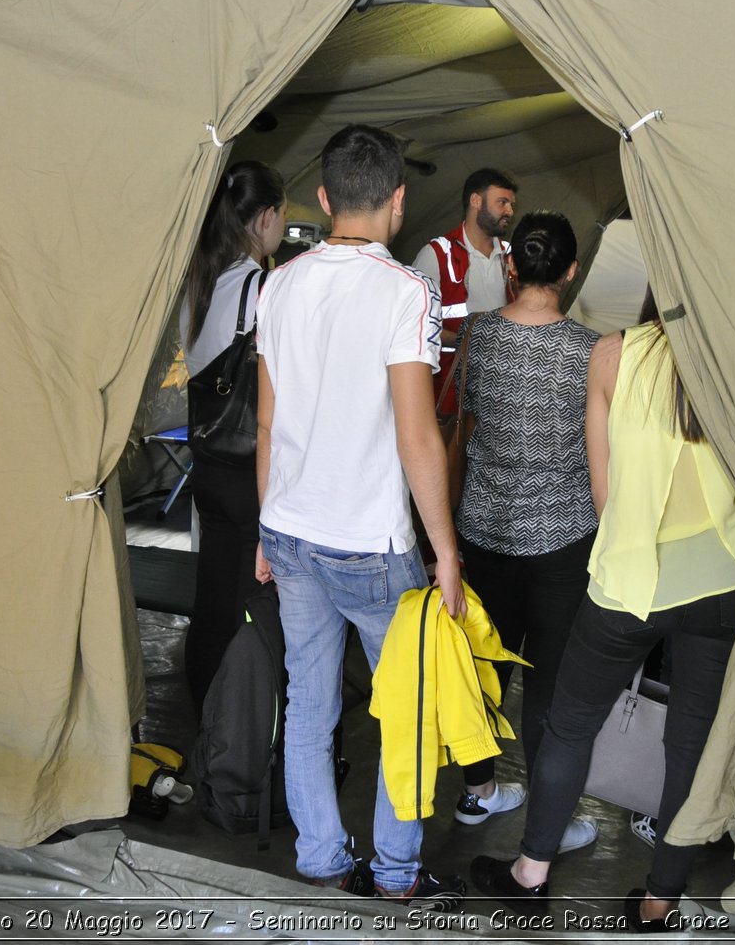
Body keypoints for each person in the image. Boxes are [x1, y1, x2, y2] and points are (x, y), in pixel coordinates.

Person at [470, 294, 735, 932]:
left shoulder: (614, 355)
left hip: (632, 582)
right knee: (692, 744)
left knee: (571, 726)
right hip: (727, 582)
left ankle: (531, 874)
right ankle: (660, 900)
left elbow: (604, 496)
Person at [254, 124, 467, 910]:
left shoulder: (279, 284)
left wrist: (263, 526)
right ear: (399, 200)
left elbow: (268, 425)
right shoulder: (408, 293)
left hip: (292, 533)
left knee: (308, 703)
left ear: (322, 196)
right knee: (406, 715)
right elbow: (418, 435)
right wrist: (444, 550)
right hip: (372, 547)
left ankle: (320, 860)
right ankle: (396, 875)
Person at [449, 211, 600, 860]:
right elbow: (602, 456)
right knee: (550, 690)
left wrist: (445, 529)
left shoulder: (479, 336)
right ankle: (549, 825)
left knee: (479, 670)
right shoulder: (592, 350)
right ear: (570, 272)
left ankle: (478, 790)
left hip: (483, 531)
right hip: (563, 544)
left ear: (513, 267)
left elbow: (461, 430)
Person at [179, 160, 285, 718]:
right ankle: (240, 726)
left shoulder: (197, 281)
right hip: (250, 466)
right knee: (253, 604)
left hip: (207, 461)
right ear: (264, 216)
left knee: (213, 594)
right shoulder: (263, 287)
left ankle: (203, 711)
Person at [411, 168, 519, 407]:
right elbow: (414, 329)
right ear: (475, 201)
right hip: (450, 395)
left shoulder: (512, 257)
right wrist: (469, 341)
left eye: (511, 204)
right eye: (502, 202)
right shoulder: (437, 255)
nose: (510, 211)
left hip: (500, 393)